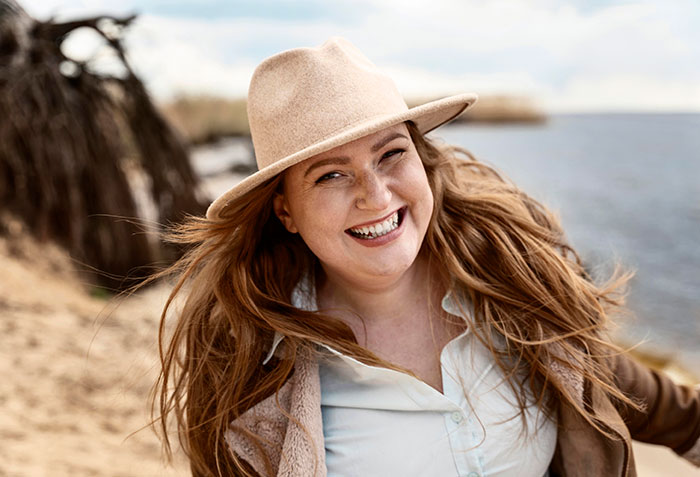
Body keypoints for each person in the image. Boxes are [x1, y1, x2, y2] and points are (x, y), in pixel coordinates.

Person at [152, 37, 700, 477]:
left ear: (422, 160)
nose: (377, 195)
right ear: (286, 212)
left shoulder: (513, 291)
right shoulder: (249, 372)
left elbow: (653, 405)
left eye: (391, 154)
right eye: (331, 175)